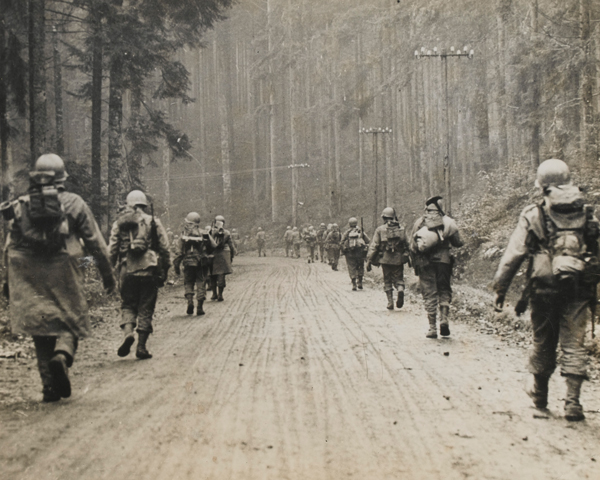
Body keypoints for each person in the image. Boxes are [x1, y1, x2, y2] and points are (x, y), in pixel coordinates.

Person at [2, 154, 116, 402]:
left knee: (41, 325)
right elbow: (96, 243)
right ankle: (62, 356)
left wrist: (7, 283)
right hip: (64, 268)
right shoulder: (74, 202)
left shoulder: (22, 203)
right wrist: (108, 276)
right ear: (62, 177)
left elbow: (9, 246)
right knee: (70, 317)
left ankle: (48, 388)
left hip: (29, 273)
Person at [492, 159, 599, 422]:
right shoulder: (587, 212)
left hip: (543, 288)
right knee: (575, 343)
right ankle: (573, 403)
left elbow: (513, 254)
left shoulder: (533, 213)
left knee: (543, 339)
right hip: (579, 287)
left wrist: (500, 289)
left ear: (542, 185)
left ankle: (540, 394)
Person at [109, 190, 171, 360]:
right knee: (146, 306)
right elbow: (165, 249)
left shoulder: (119, 223)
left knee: (128, 304)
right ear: (144, 205)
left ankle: (128, 333)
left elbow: (112, 250)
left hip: (126, 270)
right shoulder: (153, 222)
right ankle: (141, 347)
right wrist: (165, 269)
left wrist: (110, 272)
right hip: (148, 269)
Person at [409, 196, 463, 338]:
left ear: (426, 208)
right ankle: (444, 319)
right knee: (444, 289)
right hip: (444, 262)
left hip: (425, 263)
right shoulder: (447, 222)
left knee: (429, 292)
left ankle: (432, 328)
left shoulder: (420, 223)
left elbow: (413, 245)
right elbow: (458, 242)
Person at [173, 212, 216, 316]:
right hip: (201, 262)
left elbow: (178, 251)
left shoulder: (183, 234)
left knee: (188, 282)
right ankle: (200, 306)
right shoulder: (203, 233)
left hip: (187, 262)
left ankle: (190, 302)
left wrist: (177, 266)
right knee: (201, 282)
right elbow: (214, 245)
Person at [367, 208, 409, 309]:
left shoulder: (380, 229)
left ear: (384, 217)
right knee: (399, 278)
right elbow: (407, 244)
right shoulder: (401, 228)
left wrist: (369, 260)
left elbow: (374, 246)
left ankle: (390, 302)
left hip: (385, 259)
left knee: (387, 280)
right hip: (398, 260)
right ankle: (400, 290)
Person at [209, 215, 236, 301]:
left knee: (212, 274)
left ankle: (214, 294)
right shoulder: (227, 233)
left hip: (213, 255)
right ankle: (220, 294)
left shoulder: (210, 231)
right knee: (221, 274)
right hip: (223, 255)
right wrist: (232, 255)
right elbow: (231, 246)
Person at [342, 217, 370, 291]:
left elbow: (341, 242)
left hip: (350, 253)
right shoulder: (360, 232)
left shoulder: (347, 232)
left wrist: (344, 249)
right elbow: (368, 241)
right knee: (360, 266)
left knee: (351, 267)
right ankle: (360, 282)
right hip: (360, 253)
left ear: (349, 224)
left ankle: (354, 283)